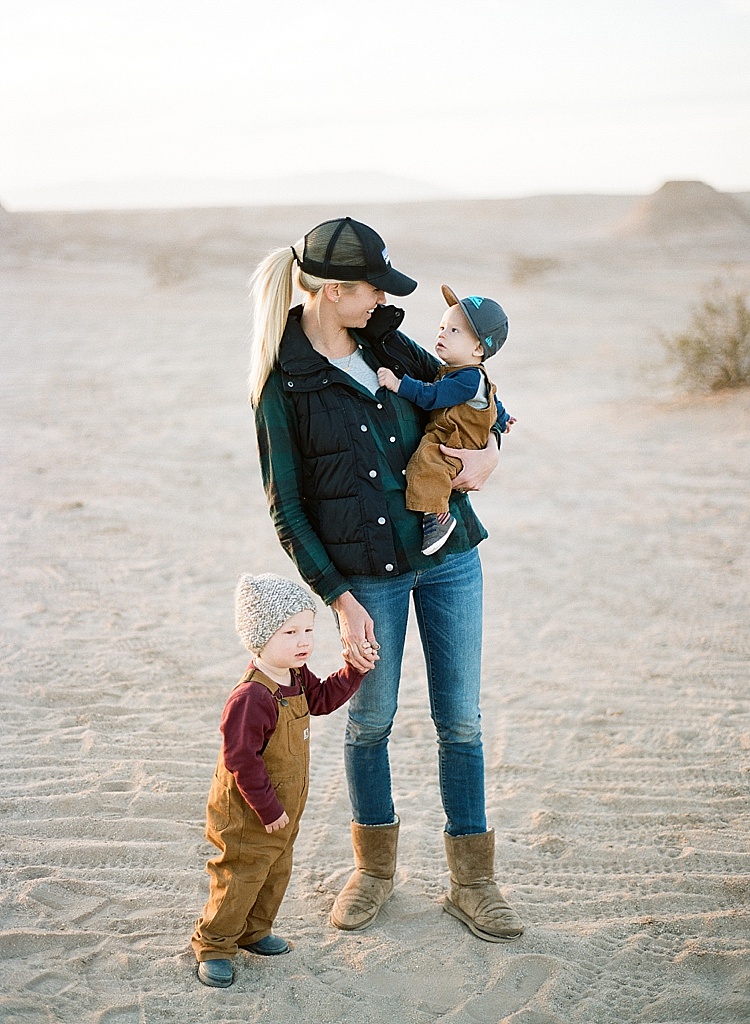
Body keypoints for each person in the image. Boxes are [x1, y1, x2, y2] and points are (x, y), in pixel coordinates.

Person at [249, 216, 524, 943]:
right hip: (367, 579)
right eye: (373, 287)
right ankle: (373, 871)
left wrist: (491, 448)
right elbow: (289, 511)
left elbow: (477, 393)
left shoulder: (388, 341)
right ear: (336, 290)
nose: (384, 299)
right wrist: (340, 600)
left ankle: (474, 882)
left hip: (451, 557)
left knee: (459, 722)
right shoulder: (281, 385)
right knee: (369, 723)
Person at [191, 573, 374, 988]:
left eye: (308, 628)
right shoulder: (252, 697)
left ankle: (254, 931)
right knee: (241, 873)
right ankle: (215, 944)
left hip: (284, 806)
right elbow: (242, 759)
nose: (303, 640)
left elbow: (323, 699)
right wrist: (268, 807)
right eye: (289, 632)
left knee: (276, 869)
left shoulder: (296, 674)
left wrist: (353, 671)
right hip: (249, 812)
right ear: (259, 638)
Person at [377, 285, 515, 556]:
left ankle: (438, 516)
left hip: (458, 440)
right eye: (442, 326)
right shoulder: (464, 373)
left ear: (478, 348)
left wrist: (398, 384)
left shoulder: (467, 378)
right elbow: (493, 399)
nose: (442, 333)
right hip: (453, 434)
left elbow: (432, 396)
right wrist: (504, 417)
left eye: (454, 330)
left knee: (427, 463)